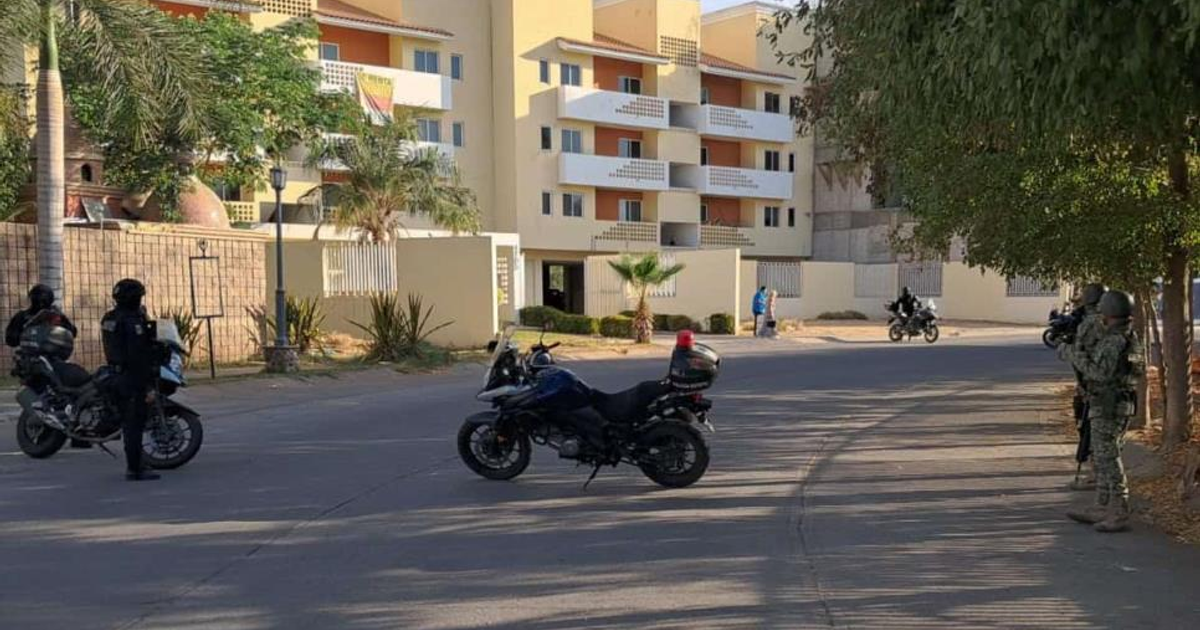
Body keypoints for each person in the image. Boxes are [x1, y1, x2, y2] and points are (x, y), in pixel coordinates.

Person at [1063, 290, 1144, 533]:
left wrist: (1074, 356)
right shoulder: (1129, 336)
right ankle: (1101, 505)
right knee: (1102, 455)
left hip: (1109, 405)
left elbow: (1100, 373)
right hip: (1114, 402)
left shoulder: (1113, 341)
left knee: (1108, 458)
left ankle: (1119, 510)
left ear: (1108, 313)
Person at [101, 278, 160, 481]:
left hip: (115, 373)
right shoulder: (132, 321)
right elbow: (138, 355)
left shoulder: (109, 318)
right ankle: (135, 468)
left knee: (128, 421)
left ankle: (136, 464)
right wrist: (148, 384)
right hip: (131, 377)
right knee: (134, 423)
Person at [1065, 282, 1108, 491]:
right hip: (1102, 386)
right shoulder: (1112, 320)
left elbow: (1079, 354)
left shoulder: (1090, 322)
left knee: (1092, 430)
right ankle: (1097, 472)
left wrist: (1066, 347)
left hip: (1094, 386)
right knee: (1097, 432)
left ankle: (1098, 475)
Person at [5, 284, 76, 349]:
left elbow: (72, 332)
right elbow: (10, 339)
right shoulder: (22, 316)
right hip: (29, 354)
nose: (41, 303)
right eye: (39, 299)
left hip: (53, 354)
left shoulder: (55, 314)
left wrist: (60, 323)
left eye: (44, 300)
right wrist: (25, 332)